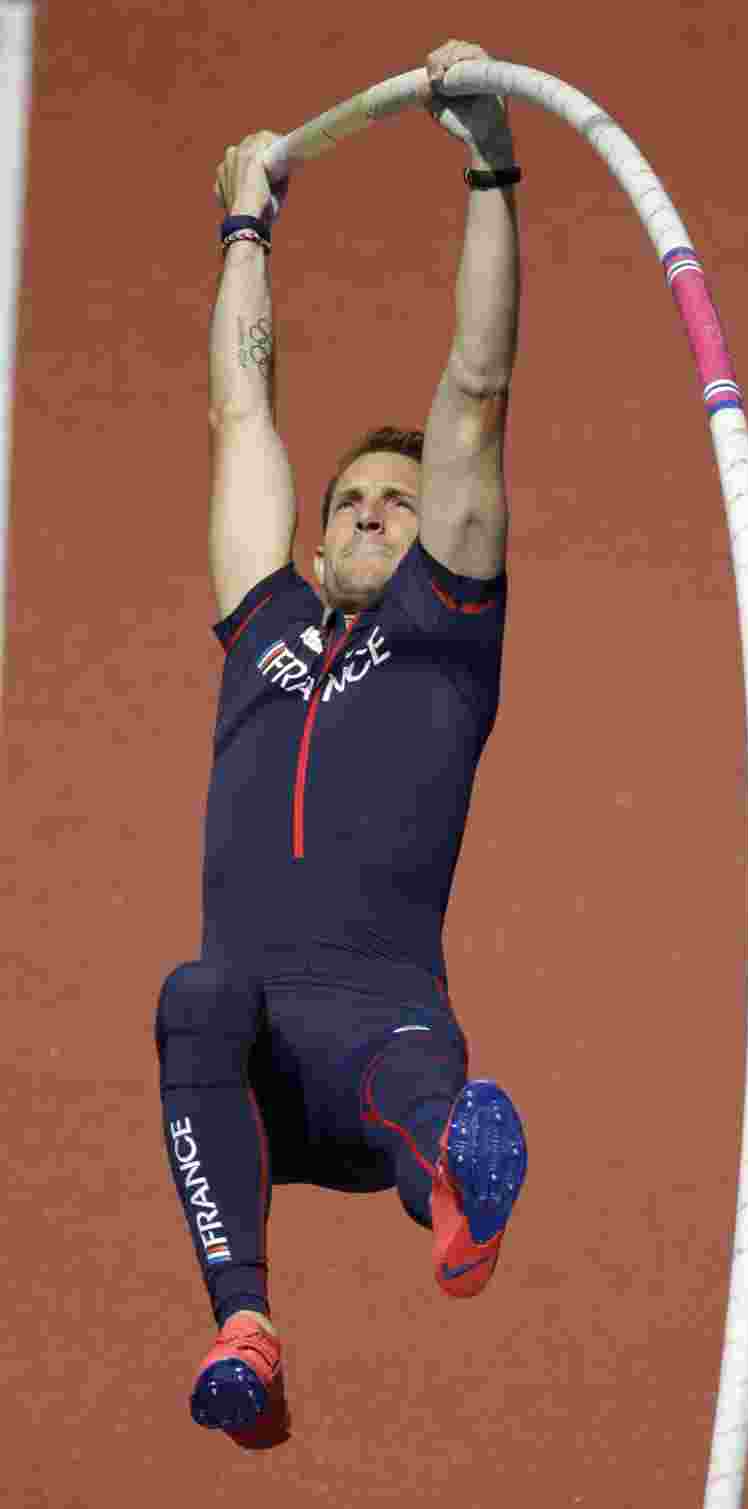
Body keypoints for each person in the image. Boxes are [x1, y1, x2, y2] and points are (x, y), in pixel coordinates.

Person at [154, 39, 527, 1441]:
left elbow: (476, 388)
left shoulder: (445, 625)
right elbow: (240, 409)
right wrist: (246, 220)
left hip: (380, 1029)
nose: (376, 508)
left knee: (437, 1095)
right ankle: (245, 1331)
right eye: (355, 498)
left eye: (400, 495)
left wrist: (488, 157)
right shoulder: (261, 623)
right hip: (249, 1052)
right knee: (193, 991)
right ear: (319, 533)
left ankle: (456, 1199)